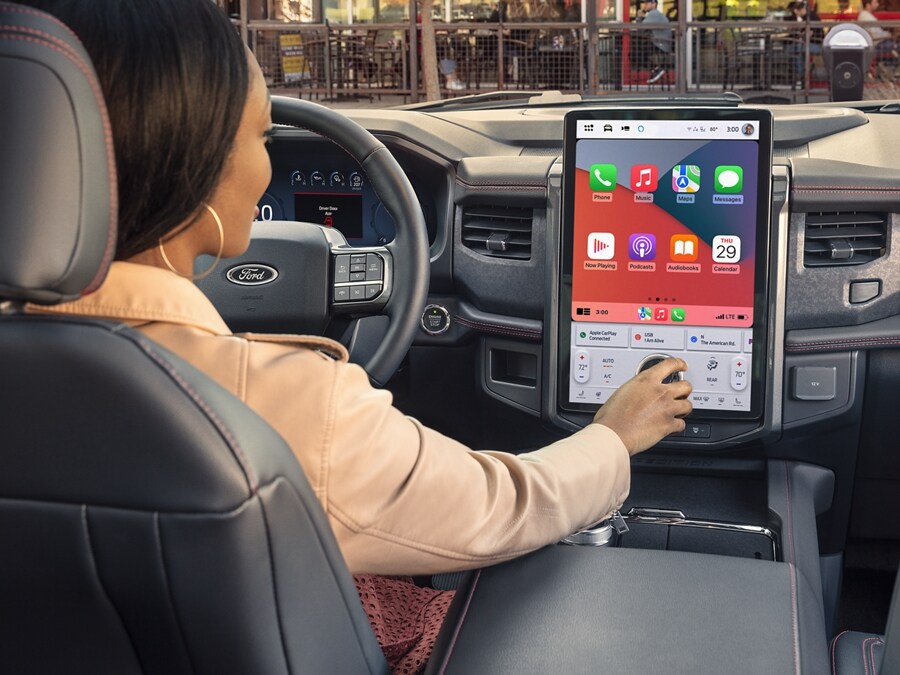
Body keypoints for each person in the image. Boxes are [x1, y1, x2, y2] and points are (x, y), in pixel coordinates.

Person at [20, 0, 691, 671]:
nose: (265, 168)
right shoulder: (291, 403)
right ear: (190, 160)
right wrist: (614, 434)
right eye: (262, 138)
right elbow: (501, 506)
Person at [635, 0, 672, 84]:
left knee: (636, 52)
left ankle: (657, 68)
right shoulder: (655, 14)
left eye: (647, 3)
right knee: (639, 49)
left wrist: (639, 17)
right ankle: (656, 68)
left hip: (661, 45)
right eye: (645, 3)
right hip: (663, 44)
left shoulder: (654, 14)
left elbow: (640, 29)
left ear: (654, 4)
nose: (645, 5)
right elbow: (642, 30)